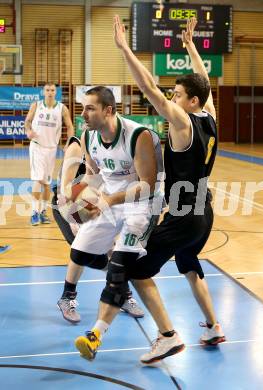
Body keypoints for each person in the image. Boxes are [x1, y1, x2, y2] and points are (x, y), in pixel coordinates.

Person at [74, 16, 225, 364]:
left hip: (185, 214)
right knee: (189, 264)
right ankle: (214, 326)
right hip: (205, 213)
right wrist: (190, 47)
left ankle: (168, 337)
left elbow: (150, 89)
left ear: (190, 102)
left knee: (137, 270)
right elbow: (207, 86)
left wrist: (125, 49)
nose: (172, 98)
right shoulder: (209, 115)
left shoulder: (184, 123)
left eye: (178, 95)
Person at [61, 86, 184, 363]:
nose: (84, 115)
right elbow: (93, 174)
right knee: (79, 253)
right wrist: (76, 202)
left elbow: (148, 184)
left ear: (109, 110)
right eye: (82, 109)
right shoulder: (88, 136)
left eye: (90, 108)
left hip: (142, 204)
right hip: (111, 200)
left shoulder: (138, 136)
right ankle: (122, 275)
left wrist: (108, 200)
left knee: (117, 268)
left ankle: (95, 334)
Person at [52, 136, 145, 320]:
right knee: (82, 252)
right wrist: (72, 219)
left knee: (112, 251)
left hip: (92, 204)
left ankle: (123, 295)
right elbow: (64, 190)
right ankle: (67, 297)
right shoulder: (76, 147)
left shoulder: (106, 153)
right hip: (66, 207)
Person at [25, 82, 74, 226]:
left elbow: (70, 126)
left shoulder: (62, 108)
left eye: (52, 90)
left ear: (56, 92)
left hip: (51, 149)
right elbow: (27, 121)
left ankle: (42, 212)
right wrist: (28, 131)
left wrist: (69, 142)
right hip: (37, 147)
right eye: (47, 90)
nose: (50, 92)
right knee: (37, 179)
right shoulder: (36, 105)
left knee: (47, 183)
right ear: (43, 92)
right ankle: (34, 212)